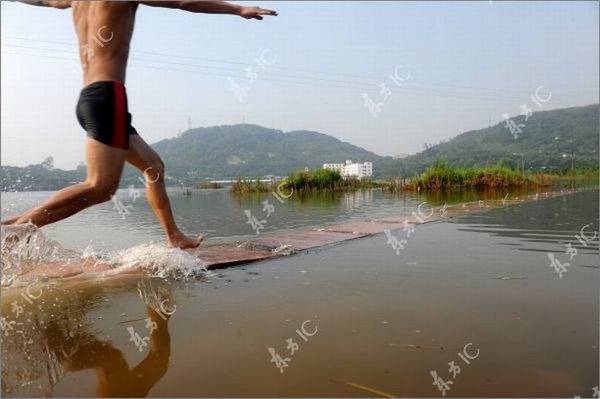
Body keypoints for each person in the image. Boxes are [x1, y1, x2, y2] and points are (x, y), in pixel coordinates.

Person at [2, 1, 277, 249]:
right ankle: (16, 232)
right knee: (101, 187)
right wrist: (238, 9)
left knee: (153, 168)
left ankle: (175, 237)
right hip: (109, 96)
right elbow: (184, 2)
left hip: (91, 98)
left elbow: (45, 1)